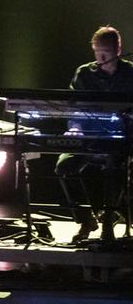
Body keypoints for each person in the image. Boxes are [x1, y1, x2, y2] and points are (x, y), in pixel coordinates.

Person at [57, 25, 133, 243]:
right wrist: (75, 127)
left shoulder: (130, 74)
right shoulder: (84, 73)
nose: (100, 58)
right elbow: (74, 106)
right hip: (89, 137)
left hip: (122, 139)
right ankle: (86, 219)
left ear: (118, 50)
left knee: (115, 167)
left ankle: (109, 221)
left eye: (105, 53)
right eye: (96, 52)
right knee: (64, 165)